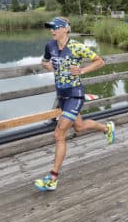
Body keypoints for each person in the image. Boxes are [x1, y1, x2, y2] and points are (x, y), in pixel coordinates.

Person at [34, 16, 115, 191]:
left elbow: (100, 61)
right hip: (62, 95)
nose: (52, 31)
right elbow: (44, 61)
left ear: (65, 29)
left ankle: (52, 178)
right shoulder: (50, 46)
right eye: (50, 28)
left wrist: (82, 70)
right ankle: (107, 128)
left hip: (75, 94)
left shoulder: (77, 47)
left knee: (59, 134)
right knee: (79, 127)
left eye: (55, 28)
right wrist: (46, 66)